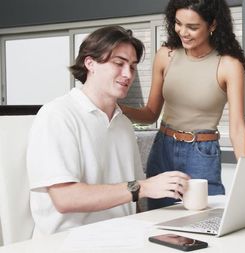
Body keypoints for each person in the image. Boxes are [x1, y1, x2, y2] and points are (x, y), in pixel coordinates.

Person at [26, 25, 190, 236]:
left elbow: (134, 198)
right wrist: (144, 187)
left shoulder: (122, 123)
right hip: (69, 243)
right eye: (119, 63)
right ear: (90, 63)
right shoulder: (57, 115)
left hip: (123, 237)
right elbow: (65, 198)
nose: (128, 74)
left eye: (132, 66)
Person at [120, 0, 245, 210]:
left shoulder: (228, 65)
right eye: (178, 23)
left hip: (201, 152)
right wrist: (118, 109)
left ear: (213, 25)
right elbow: (151, 113)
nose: (183, 32)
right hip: (163, 147)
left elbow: (237, 128)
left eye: (193, 27)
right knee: (157, 218)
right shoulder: (166, 55)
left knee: (208, 219)